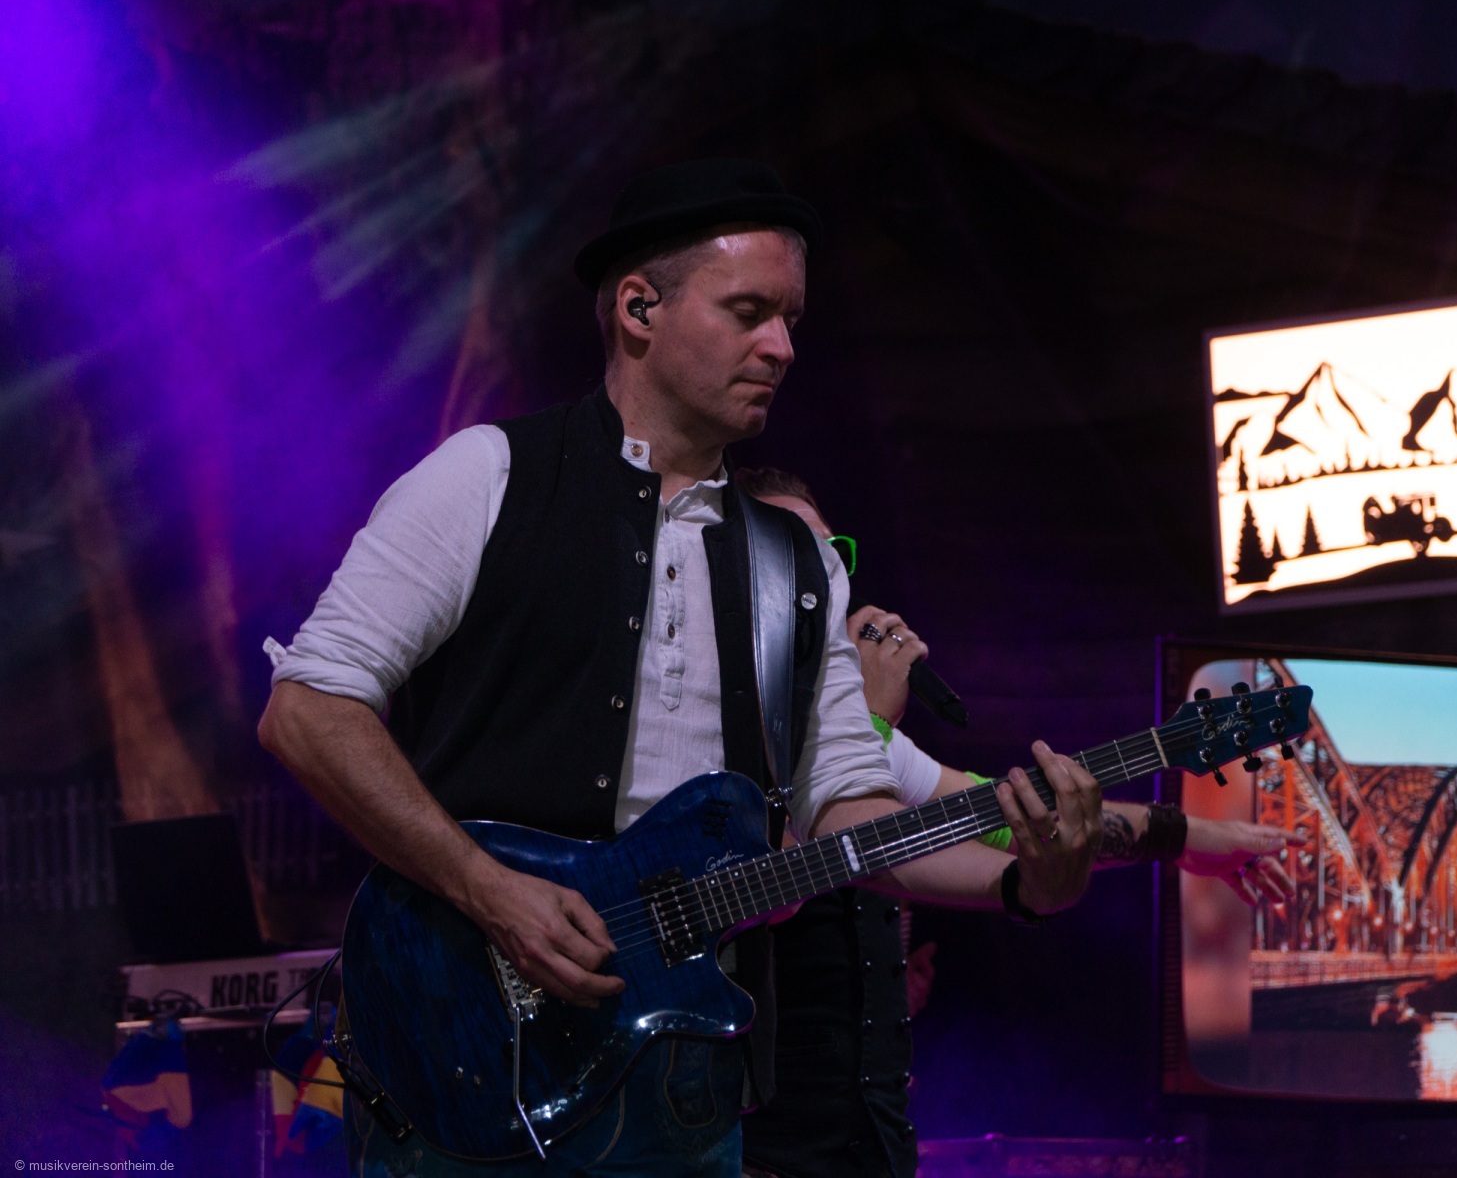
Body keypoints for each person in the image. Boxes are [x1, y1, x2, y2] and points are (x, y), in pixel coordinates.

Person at [255, 159, 1103, 1178]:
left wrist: (1028, 883)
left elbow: (849, 808)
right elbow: (309, 710)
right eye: (749, 312)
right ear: (638, 308)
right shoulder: (487, 477)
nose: (782, 347)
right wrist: (489, 890)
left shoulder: (796, 565)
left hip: (681, 1085)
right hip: (460, 1049)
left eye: (791, 319)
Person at [733, 468, 1302, 1178]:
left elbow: (1003, 813)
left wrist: (1188, 837)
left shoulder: (845, 725)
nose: (821, 577)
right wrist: (873, 719)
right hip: (753, 1143)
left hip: (865, 1141)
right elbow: (810, 856)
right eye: (790, 550)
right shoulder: (704, 710)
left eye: (830, 553)